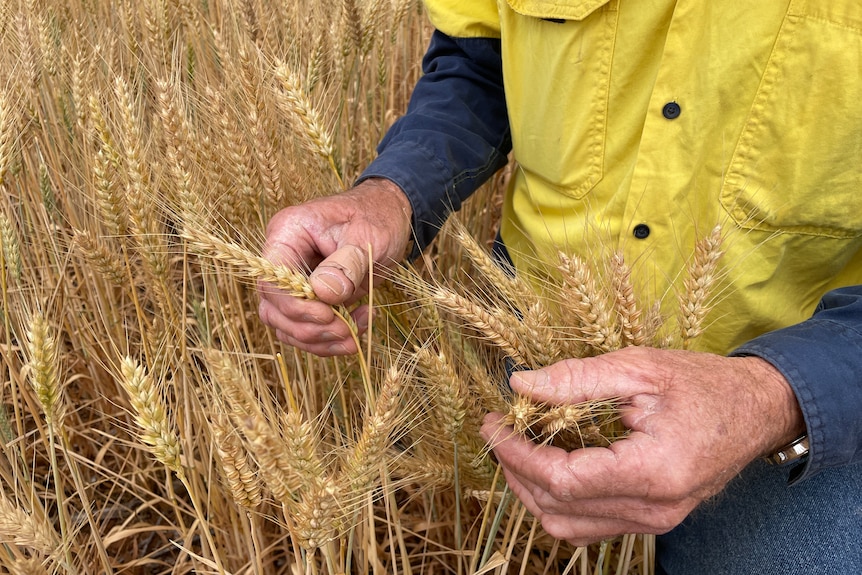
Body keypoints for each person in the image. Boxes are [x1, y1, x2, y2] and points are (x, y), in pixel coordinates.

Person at [258, 2, 862, 573]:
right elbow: (479, 62)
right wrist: (391, 194)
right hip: (535, 350)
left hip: (807, 396)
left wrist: (772, 395)